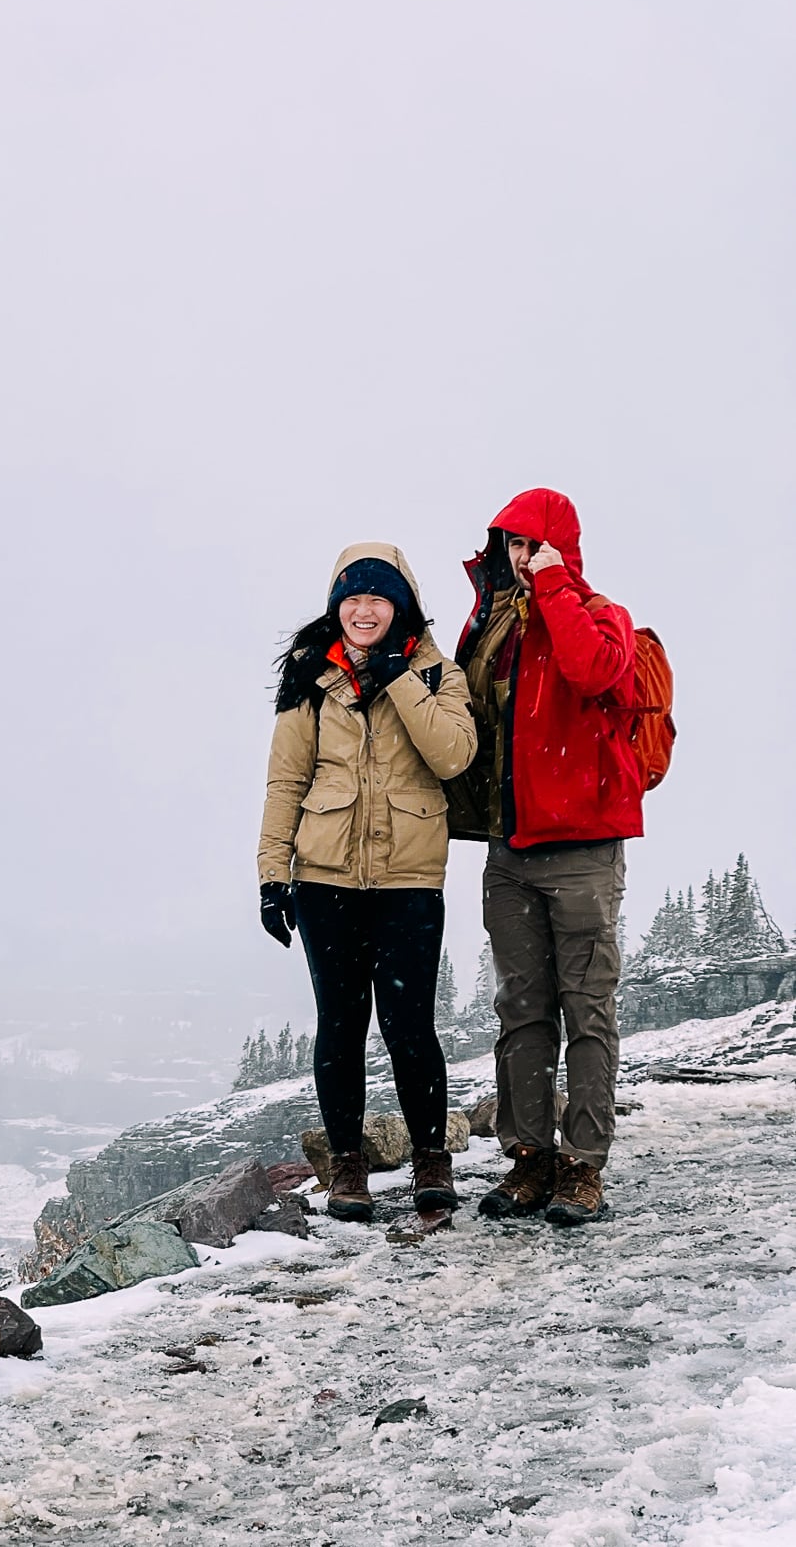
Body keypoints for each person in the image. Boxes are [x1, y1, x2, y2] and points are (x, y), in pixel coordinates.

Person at [258, 543, 477, 1222]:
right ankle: (347, 1168)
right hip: (325, 879)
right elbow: (287, 780)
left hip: (409, 878)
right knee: (342, 1025)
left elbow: (454, 755)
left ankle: (431, 1160)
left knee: (410, 1024)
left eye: (377, 598)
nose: (362, 609)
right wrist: (272, 874)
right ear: (337, 605)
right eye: (352, 598)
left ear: (401, 605)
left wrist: (397, 678)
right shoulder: (310, 678)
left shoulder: (439, 675)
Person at [448, 488, 642, 1227]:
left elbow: (594, 673)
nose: (521, 559)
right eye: (513, 547)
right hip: (509, 849)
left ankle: (583, 1166)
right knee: (521, 1011)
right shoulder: (496, 625)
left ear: (561, 547)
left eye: (533, 545)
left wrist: (556, 584)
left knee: (587, 1010)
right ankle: (529, 1159)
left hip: (584, 852)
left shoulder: (598, 615)